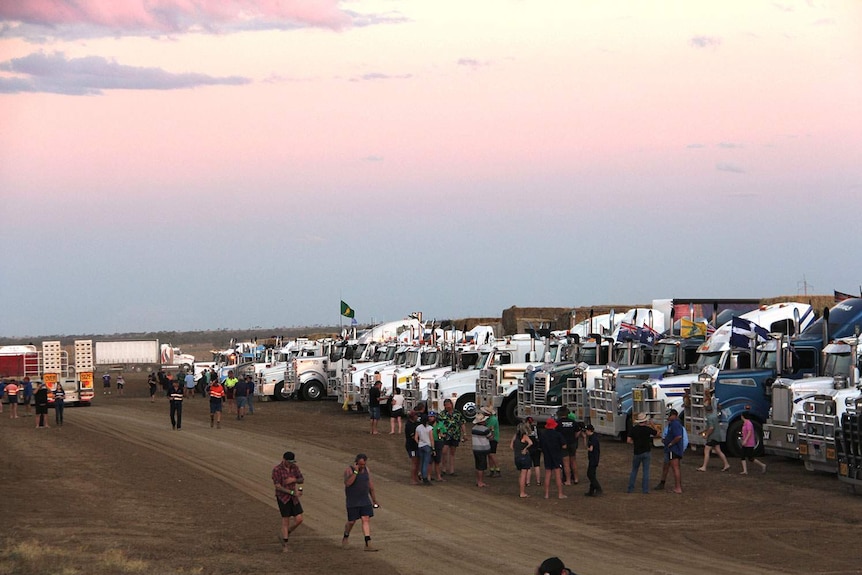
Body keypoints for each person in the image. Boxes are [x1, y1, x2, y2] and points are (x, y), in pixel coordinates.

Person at [342, 453, 379, 552]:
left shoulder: (367, 470)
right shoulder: (349, 470)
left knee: (365, 519)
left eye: (364, 464)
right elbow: (348, 483)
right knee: (351, 521)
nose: (362, 466)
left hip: (364, 499)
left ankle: (368, 543)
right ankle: (345, 537)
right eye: (360, 464)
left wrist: (374, 500)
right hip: (352, 500)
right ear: (356, 462)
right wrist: (355, 472)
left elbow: (370, 486)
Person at [272, 451, 304, 552]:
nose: (291, 464)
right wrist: (291, 492)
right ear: (284, 460)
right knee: (285, 520)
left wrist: (293, 479)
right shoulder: (277, 470)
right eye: (289, 462)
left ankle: (288, 531)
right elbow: (278, 486)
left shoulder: (294, 467)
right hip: (283, 498)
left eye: (292, 462)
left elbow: (301, 479)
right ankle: (285, 544)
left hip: (293, 497)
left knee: (299, 519)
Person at [627, 412, 657, 493]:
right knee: (646, 471)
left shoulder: (634, 429)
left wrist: (635, 443)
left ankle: (630, 488)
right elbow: (657, 432)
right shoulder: (647, 429)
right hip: (646, 452)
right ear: (645, 421)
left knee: (634, 470)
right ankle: (645, 489)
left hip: (637, 452)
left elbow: (628, 440)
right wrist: (652, 424)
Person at [657, 409, 685, 493]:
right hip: (672, 449)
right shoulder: (673, 424)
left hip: (673, 449)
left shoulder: (675, 424)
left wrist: (671, 443)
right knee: (671, 467)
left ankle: (678, 487)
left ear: (674, 415)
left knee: (675, 468)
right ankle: (675, 486)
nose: (668, 417)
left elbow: (678, 436)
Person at [697, 403, 731, 472]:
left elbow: (711, 428)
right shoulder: (714, 416)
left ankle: (704, 466)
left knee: (706, 450)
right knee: (718, 451)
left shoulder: (709, 417)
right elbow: (711, 427)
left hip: (712, 437)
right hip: (717, 436)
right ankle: (726, 464)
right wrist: (703, 431)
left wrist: (706, 435)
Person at [438, 398, 466, 476]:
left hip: (455, 435)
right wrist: (440, 433)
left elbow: (462, 423)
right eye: (446, 405)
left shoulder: (457, 413)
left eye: (448, 404)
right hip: (445, 435)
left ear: (451, 404)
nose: (447, 406)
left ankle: (451, 470)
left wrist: (465, 433)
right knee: (444, 451)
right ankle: (443, 468)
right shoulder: (442, 414)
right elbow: (439, 425)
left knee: (452, 453)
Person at [540, 417, 566, 499]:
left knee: (547, 474)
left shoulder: (543, 434)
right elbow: (564, 445)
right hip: (557, 455)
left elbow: (540, 446)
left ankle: (546, 494)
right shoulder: (558, 434)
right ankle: (560, 494)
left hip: (547, 455)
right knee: (558, 475)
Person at [556, 407, 582, 485]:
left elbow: (556, 434)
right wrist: (574, 437)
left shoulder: (558, 423)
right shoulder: (573, 422)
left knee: (566, 463)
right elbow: (578, 432)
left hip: (563, 445)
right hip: (572, 443)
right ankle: (576, 479)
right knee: (573, 461)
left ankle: (568, 480)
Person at [510, 419, 534, 498]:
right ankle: (522, 492)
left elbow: (511, 446)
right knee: (524, 475)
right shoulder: (524, 436)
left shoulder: (515, 436)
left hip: (517, 457)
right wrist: (525, 448)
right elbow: (531, 443)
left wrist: (517, 450)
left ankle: (521, 490)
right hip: (524, 457)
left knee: (521, 474)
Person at [471, 411, 492, 488]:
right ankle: (480, 482)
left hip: (476, 449)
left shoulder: (473, 429)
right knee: (481, 467)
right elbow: (490, 437)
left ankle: (478, 481)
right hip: (482, 449)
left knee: (478, 466)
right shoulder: (485, 429)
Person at [415, 412, 434, 485]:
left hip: (420, 446)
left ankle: (421, 475)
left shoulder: (418, 427)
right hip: (427, 446)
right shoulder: (429, 428)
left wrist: (419, 443)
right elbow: (431, 439)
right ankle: (425, 478)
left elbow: (416, 438)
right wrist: (433, 448)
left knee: (422, 462)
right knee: (426, 463)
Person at [584, 424, 602, 496]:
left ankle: (598, 488)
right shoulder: (592, 437)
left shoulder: (593, 438)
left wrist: (587, 449)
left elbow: (590, 449)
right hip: (593, 458)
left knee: (590, 474)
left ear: (589, 430)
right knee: (592, 474)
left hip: (593, 458)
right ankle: (591, 490)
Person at [404, 410, 421, 485]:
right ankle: (413, 479)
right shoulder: (409, 425)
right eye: (416, 415)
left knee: (417, 463)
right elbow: (413, 437)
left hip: (416, 446)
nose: (417, 417)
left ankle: (416, 477)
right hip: (412, 446)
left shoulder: (415, 423)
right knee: (414, 462)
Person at [484, 407, 501, 477]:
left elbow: (489, 429)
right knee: (490, 454)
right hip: (491, 438)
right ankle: (492, 470)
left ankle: (497, 470)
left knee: (491, 454)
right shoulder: (491, 419)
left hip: (493, 438)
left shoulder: (492, 419)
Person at [429, 411, 445, 481]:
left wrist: (442, 435)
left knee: (437, 460)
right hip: (429, 442)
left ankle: (438, 476)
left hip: (439, 442)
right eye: (429, 417)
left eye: (432, 417)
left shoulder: (441, 424)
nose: (430, 418)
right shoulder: (427, 425)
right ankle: (428, 476)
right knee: (430, 461)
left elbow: (445, 434)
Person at [526, 416, 542, 487]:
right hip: (536, 449)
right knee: (537, 465)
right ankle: (538, 481)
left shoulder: (525, 430)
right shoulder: (536, 429)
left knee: (528, 466)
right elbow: (541, 438)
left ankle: (528, 482)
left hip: (528, 449)